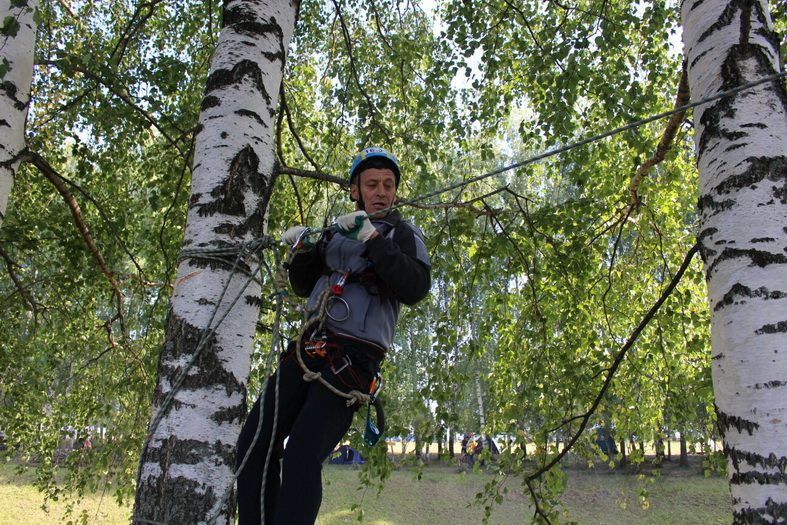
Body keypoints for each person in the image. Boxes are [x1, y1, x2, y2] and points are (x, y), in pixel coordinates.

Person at [236, 147, 431, 525]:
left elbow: (416, 287)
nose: (381, 192)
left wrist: (374, 239)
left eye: (388, 185)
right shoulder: (335, 232)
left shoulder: (403, 234)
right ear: (354, 189)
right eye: (371, 184)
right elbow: (302, 284)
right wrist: (305, 250)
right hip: (309, 347)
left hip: (354, 358)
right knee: (255, 443)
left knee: (303, 453)